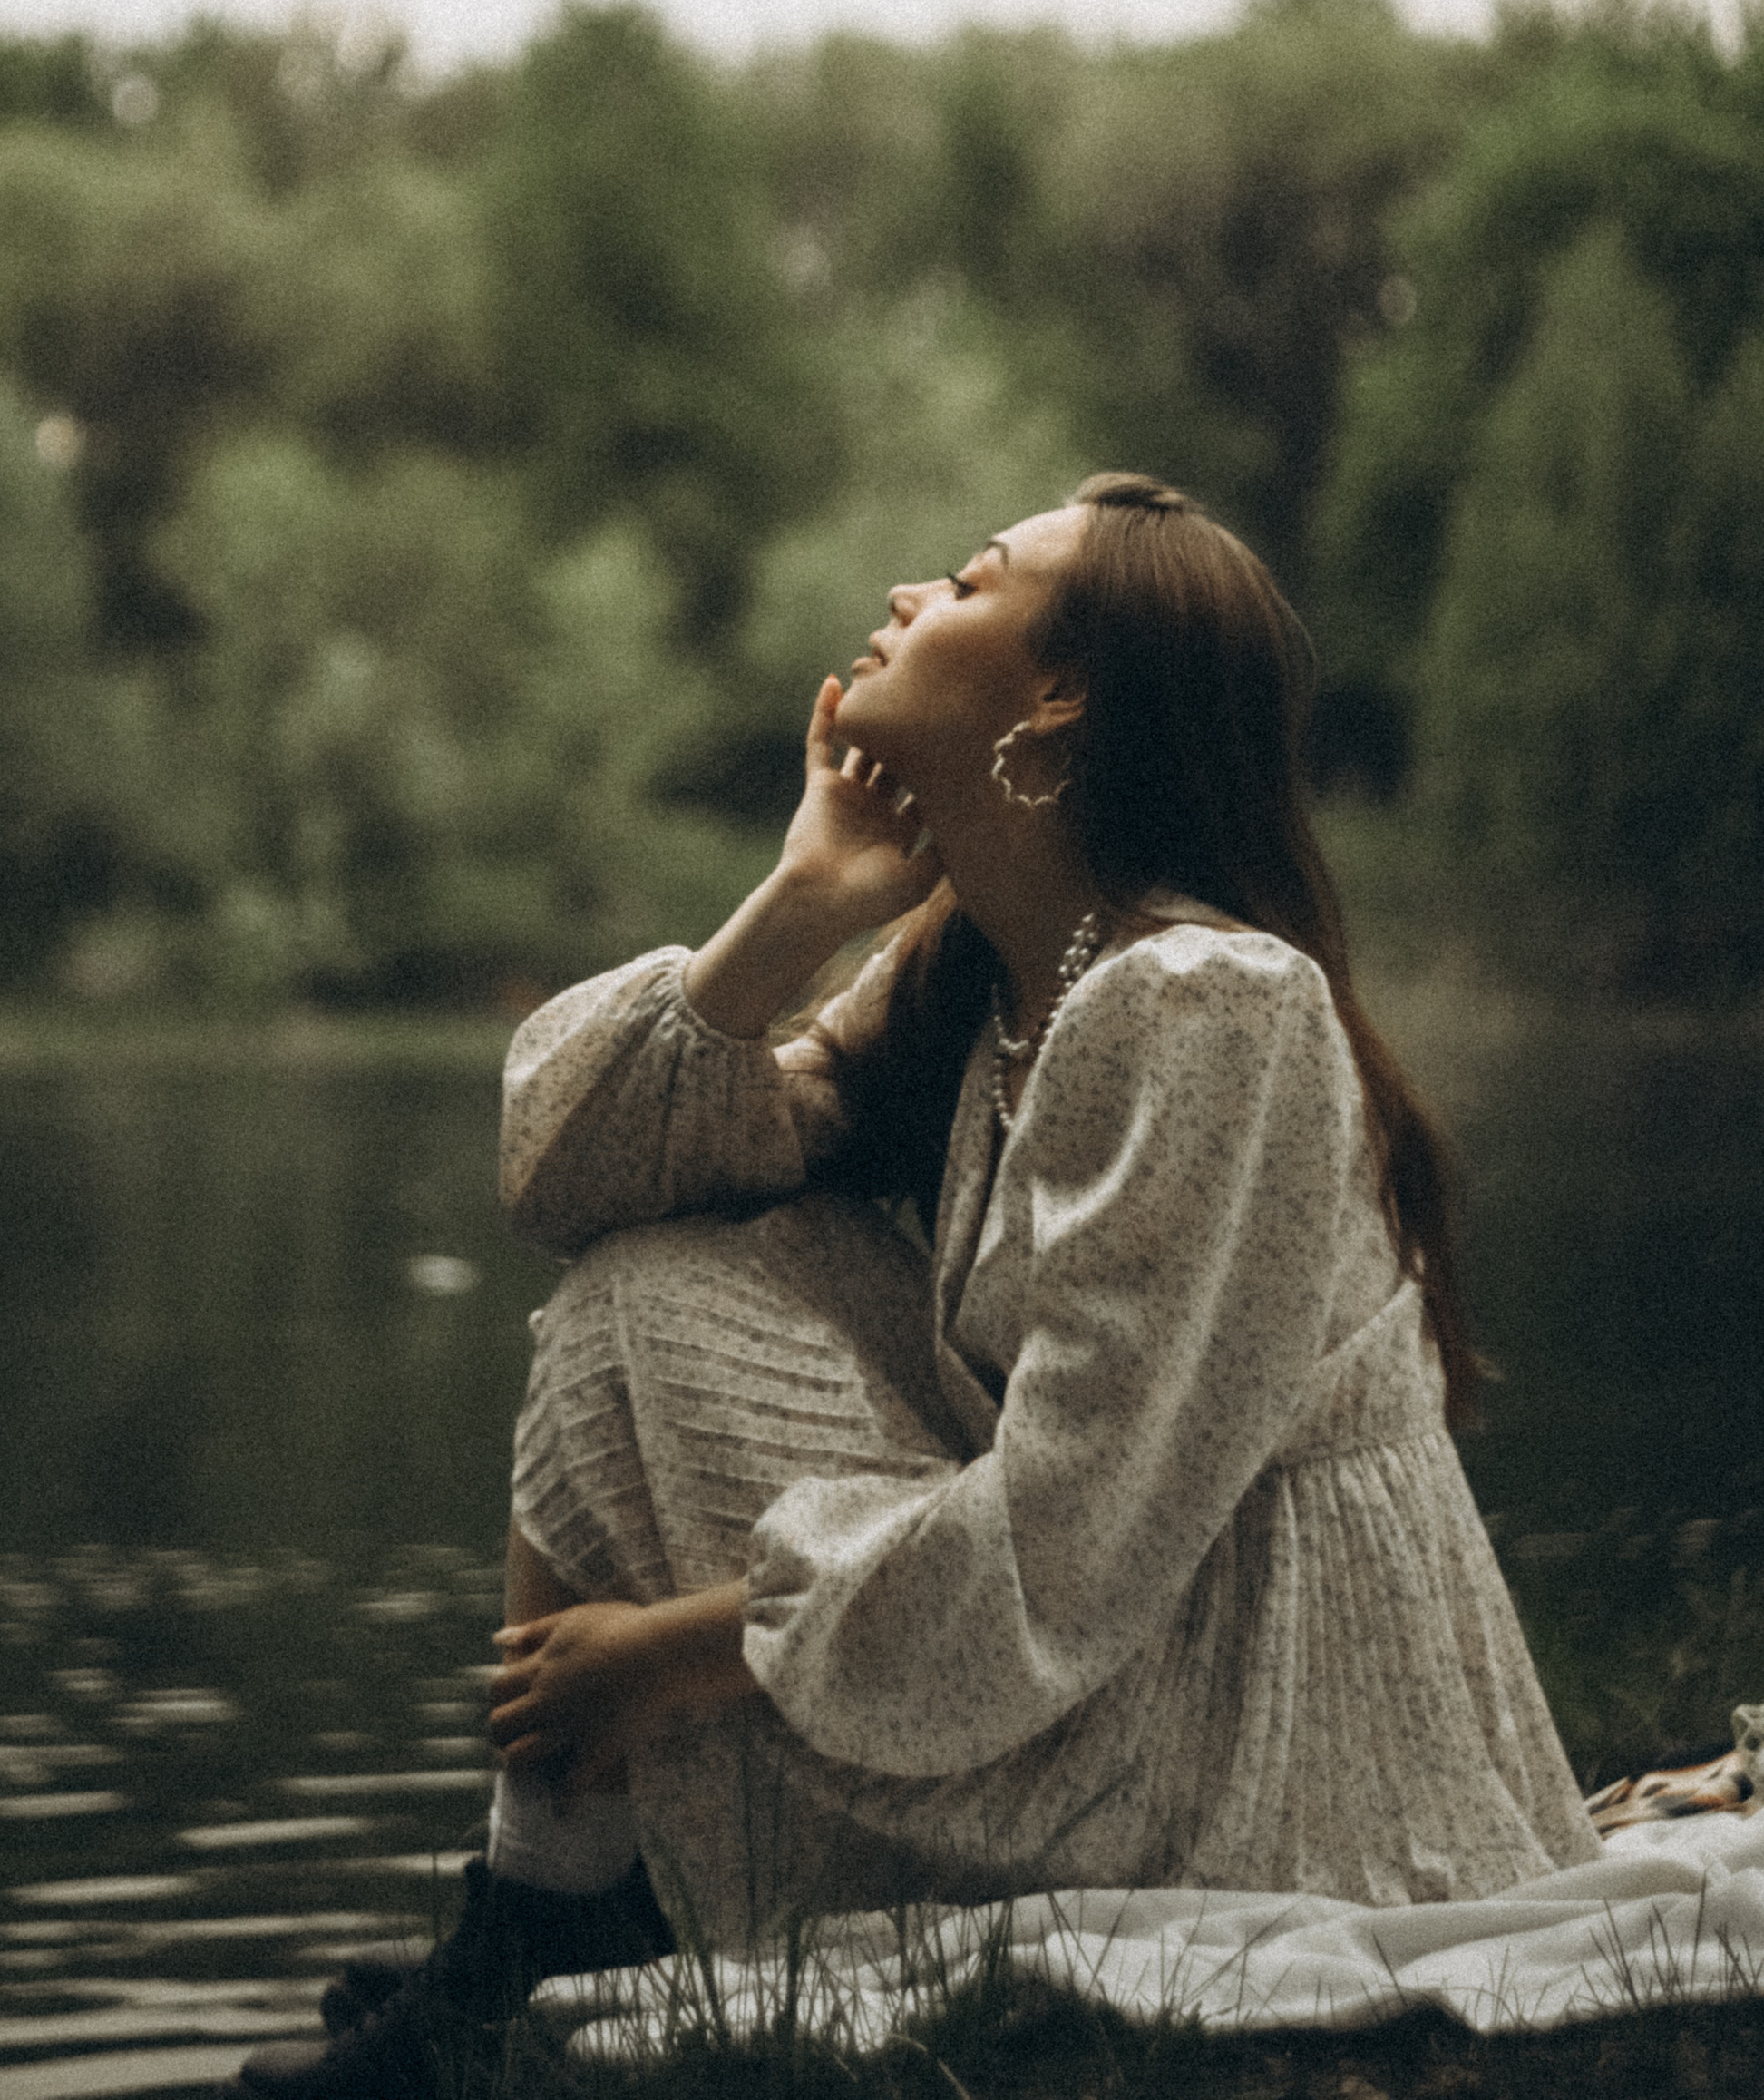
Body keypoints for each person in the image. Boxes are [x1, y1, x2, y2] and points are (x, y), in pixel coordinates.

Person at [244, 474, 1594, 2096]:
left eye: (969, 581)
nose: (904, 596)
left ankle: (555, 1921)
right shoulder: (996, 983)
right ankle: (549, 1907)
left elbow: (1071, 1545)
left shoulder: (1213, 1010)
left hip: (1248, 1723)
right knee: (633, 1291)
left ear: (1060, 696)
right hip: (1102, 1632)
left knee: (642, 1313)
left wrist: (666, 1655)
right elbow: (568, 1180)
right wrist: (801, 904)